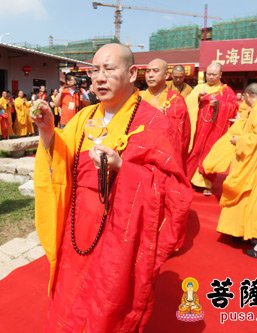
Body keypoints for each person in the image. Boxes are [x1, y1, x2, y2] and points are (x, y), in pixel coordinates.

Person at [32, 43, 192, 332]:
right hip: (78, 233)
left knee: (106, 308)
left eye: (109, 69)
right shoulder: (84, 117)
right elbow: (60, 162)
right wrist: (47, 132)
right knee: (67, 304)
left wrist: (123, 169)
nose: (99, 78)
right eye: (95, 70)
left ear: (132, 74)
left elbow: (174, 193)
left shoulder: (155, 123)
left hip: (121, 239)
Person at [216, 83, 257, 258]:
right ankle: (248, 232)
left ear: (249, 95)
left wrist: (239, 140)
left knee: (256, 201)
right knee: (249, 199)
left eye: (244, 98)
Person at [185, 62, 238, 195]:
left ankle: (206, 184)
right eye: (208, 74)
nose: (211, 77)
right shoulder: (199, 87)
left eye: (214, 74)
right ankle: (189, 179)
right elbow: (187, 102)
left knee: (209, 153)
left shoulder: (226, 91)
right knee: (195, 151)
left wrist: (220, 104)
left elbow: (234, 107)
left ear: (220, 75)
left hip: (215, 129)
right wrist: (198, 98)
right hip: (198, 127)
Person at [140, 58, 190, 167]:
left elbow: (183, 135)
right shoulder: (137, 98)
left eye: (155, 71)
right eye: (148, 71)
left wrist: (164, 119)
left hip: (166, 156)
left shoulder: (176, 100)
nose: (150, 75)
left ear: (166, 75)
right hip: (139, 154)